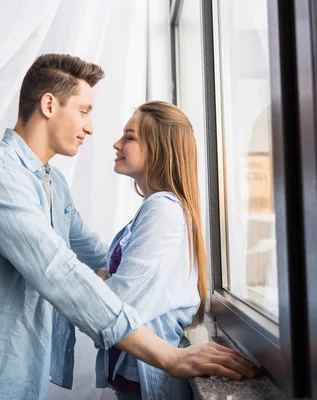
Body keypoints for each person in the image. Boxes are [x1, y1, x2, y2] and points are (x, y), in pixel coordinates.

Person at [0, 54, 257, 400]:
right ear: (49, 105)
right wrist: (166, 355)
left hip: (6, 380)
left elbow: (96, 254)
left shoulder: (53, 185)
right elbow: (58, 271)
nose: (91, 127)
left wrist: (157, 277)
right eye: (84, 111)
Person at [95, 101, 215, 400]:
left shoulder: (162, 209)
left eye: (129, 137)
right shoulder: (157, 208)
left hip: (149, 380)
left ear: (158, 148)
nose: (117, 143)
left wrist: (100, 282)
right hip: (135, 372)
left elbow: (116, 300)